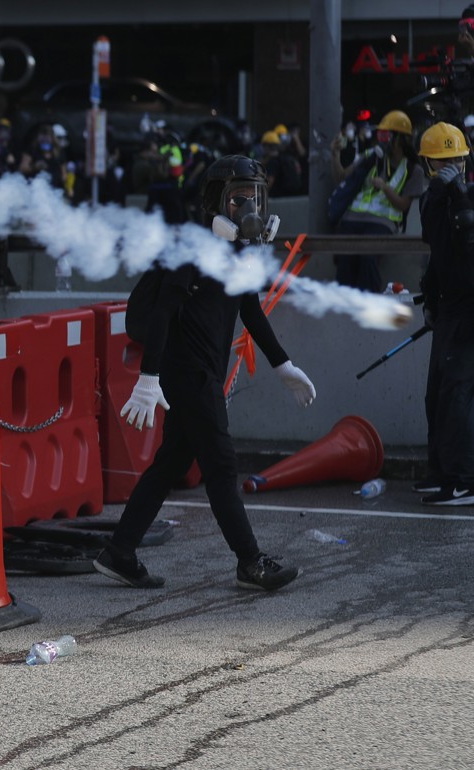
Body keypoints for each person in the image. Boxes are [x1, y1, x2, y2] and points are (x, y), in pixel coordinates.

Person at [94, 155, 316, 592]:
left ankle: (120, 551)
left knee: (171, 462)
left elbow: (249, 309)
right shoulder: (194, 247)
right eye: (238, 199)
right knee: (221, 465)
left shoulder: (238, 251)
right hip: (189, 372)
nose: (249, 208)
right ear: (216, 202)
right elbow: (161, 313)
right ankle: (250, 562)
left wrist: (283, 364)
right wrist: (148, 375)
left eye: (253, 196)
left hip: (200, 371)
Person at [414, 122, 474, 505]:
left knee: (457, 393)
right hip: (449, 305)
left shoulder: (464, 198)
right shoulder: (432, 202)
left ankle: (464, 478)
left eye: (456, 162)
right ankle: (440, 471)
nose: (449, 169)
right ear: (426, 165)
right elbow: (438, 256)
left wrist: (459, 195)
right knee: (436, 392)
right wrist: (430, 300)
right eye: (441, 163)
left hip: (470, 306)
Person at [330, 109, 424, 292]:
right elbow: (341, 177)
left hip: (382, 222)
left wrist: (385, 187)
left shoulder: (414, 169)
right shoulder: (372, 155)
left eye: (388, 135)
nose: (383, 139)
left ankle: (370, 303)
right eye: (382, 134)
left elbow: (404, 205)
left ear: (401, 139)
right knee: (344, 257)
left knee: (367, 257)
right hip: (353, 217)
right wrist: (335, 154)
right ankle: (341, 305)